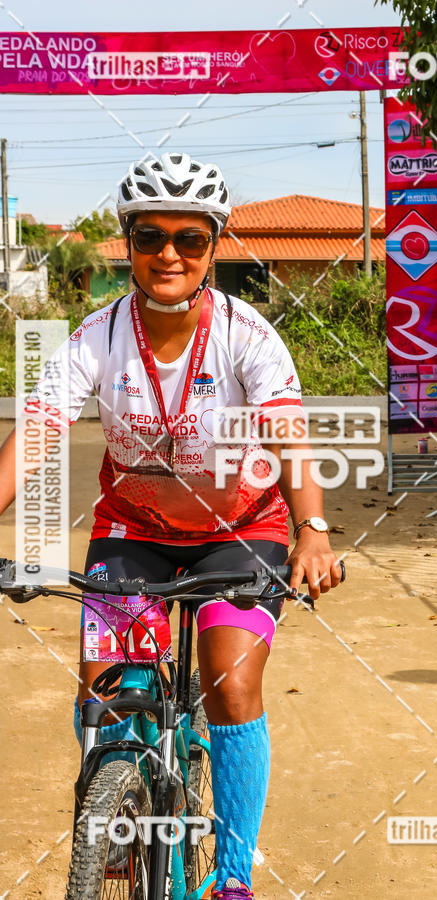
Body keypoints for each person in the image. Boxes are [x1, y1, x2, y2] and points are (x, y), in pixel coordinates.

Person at [0, 152, 342, 899]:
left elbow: (290, 440)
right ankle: (116, 811)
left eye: (190, 239)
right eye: (150, 236)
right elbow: (36, 433)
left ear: (213, 248)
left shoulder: (248, 336)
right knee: (107, 692)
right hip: (134, 529)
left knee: (231, 684)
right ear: (128, 243)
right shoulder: (96, 337)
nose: (169, 255)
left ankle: (232, 876)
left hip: (241, 530)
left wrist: (313, 530)